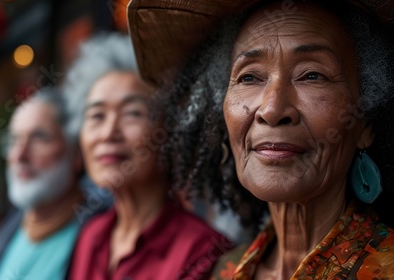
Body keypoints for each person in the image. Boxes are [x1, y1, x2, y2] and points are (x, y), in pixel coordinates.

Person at [127, 0, 394, 279]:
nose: (272, 109)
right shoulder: (221, 271)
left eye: (312, 75)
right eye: (249, 77)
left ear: (365, 124)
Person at [66, 33, 233, 280]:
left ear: (171, 131)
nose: (109, 133)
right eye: (97, 116)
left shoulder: (202, 252)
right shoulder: (91, 237)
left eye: (132, 113)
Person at [0, 89, 94, 279]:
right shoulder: (7, 231)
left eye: (39, 138)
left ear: (76, 154)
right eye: (14, 140)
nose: (19, 155)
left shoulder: (99, 238)